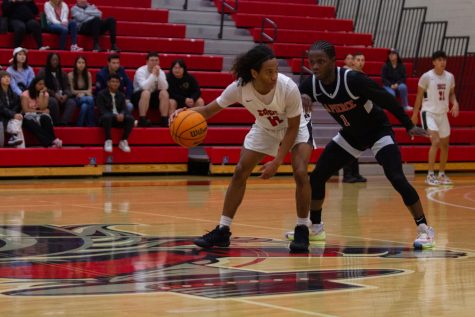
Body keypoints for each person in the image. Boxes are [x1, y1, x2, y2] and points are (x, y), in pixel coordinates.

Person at [174, 45, 315, 253]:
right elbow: (207, 110)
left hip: (296, 127)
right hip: (265, 127)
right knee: (240, 170)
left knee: (301, 172)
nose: (275, 75)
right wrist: (181, 114)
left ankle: (302, 227)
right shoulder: (239, 88)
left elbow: (293, 127)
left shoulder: (288, 88)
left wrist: (277, 161)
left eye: (276, 70)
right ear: (254, 73)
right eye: (269, 72)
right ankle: (223, 230)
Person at [299, 40, 434, 249]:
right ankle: (315, 228)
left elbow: (386, 100)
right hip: (351, 136)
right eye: (312, 61)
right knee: (317, 176)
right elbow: (299, 90)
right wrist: (303, 94)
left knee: (396, 177)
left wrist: (408, 125)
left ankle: (424, 228)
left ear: (333, 62)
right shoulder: (313, 83)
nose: (315, 66)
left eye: (321, 61)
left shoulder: (352, 79)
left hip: (377, 132)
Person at [411, 50, 459, 186]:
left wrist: (455, 103)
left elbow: (451, 94)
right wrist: (414, 115)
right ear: (433, 62)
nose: (442, 62)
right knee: (436, 141)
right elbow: (419, 96)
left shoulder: (450, 77)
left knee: (445, 145)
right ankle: (430, 175)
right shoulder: (426, 77)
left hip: (442, 114)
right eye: (439, 60)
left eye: (444, 59)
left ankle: (442, 174)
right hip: (428, 113)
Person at [341, 51, 367, 183]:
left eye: (363, 60)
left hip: (359, 115)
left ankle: (355, 173)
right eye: (358, 60)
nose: (360, 62)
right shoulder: (348, 75)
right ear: (353, 62)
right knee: (348, 145)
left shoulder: (362, 76)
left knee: (357, 145)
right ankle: (347, 174)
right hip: (348, 114)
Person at [21, 76, 62, 148]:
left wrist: (41, 94)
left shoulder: (45, 94)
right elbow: (25, 110)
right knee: (30, 121)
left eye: (43, 84)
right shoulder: (25, 94)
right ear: (34, 84)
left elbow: (43, 107)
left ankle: (50, 141)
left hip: (39, 115)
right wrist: (40, 111)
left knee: (45, 118)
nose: (42, 86)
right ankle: (51, 141)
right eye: (39, 84)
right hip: (27, 115)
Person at [96, 74, 134, 153]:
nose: (115, 83)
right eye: (113, 81)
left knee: (130, 118)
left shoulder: (121, 95)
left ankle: (123, 141)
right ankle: (108, 140)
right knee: (107, 116)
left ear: (119, 84)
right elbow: (102, 110)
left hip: (118, 119)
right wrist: (115, 115)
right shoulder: (101, 94)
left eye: (117, 82)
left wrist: (122, 114)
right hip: (106, 119)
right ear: (108, 83)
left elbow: (124, 109)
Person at [132, 52, 170, 127]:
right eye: (152, 60)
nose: (154, 62)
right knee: (146, 92)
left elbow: (165, 87)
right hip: (138, 97)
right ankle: (142, 119)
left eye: (156, 60)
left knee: (164, 93)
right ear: (147, 62)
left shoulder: (161, 72)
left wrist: (158, 75)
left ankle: (164, 119)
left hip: (152, 96)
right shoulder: (140, 71)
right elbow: (144, 87)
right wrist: (153, 74)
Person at [38, 53, 76, 126]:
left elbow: (67, 87)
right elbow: (41, 86)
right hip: (48, 96)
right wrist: (54, 94)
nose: (55, 62)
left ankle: (63, 122)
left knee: (72, 102)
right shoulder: (43, 72)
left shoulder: (63, 73)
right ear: (49, 61)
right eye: (53, 60)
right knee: (53, 101)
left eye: (57, 60)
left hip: (62, 96)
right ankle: (56, 123)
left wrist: (66, 95)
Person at [67, 56, 95, 126]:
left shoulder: (88, 74)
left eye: (83, 62)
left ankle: (79, 125)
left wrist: (83, 93)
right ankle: (91, 123)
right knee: (91, 99)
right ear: (75, 64)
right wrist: (84, 92)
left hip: (85, 97)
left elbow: (90, 90)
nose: (81, 64)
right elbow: (72, 91)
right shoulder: (70, 75)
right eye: (79, 62)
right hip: (75, 98)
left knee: (84, 106)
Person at [0, 71, 24, 147]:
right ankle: (14, 136)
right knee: (17, 126)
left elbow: (17, 105)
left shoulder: (13, 93)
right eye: (4, 77)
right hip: (1, 118)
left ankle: (14, 137)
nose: (7, 79)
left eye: (8, 77)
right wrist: (13, 114)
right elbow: (1, 108)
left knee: (19, 117)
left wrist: (14, 114)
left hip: (9, 118)